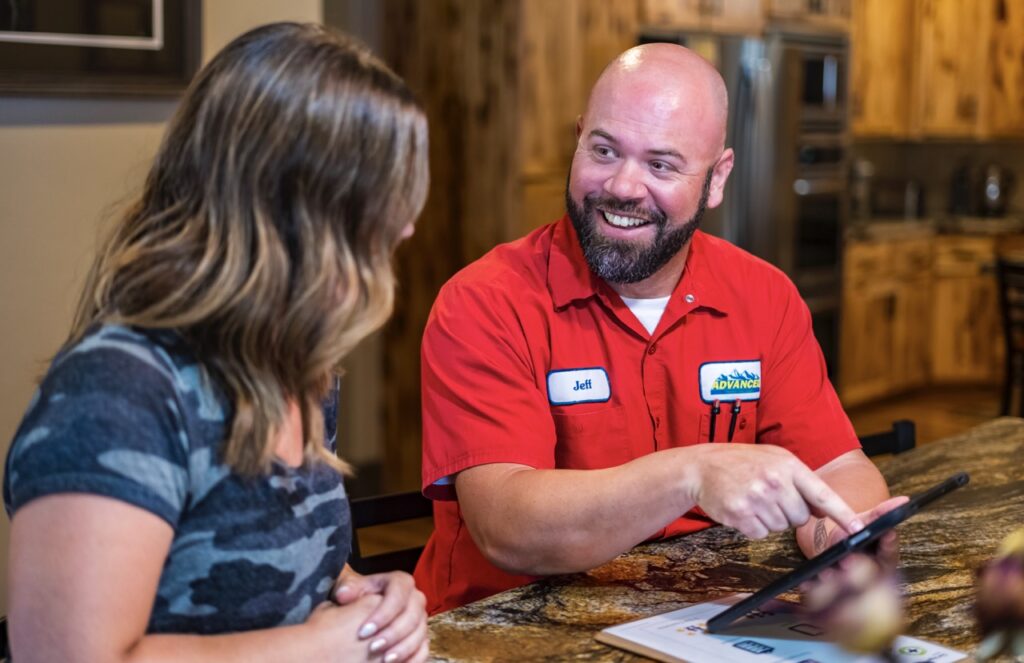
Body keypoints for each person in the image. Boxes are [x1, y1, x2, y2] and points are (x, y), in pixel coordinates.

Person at [414, 43, 903, 614]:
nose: (623, 186)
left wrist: (835, 538)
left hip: (696, 617)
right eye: (603, 150)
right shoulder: (486, 302)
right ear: (577, 141)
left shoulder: (764, 295)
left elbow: (837, 466)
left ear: (717, 179)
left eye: (661, 164)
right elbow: (506, 527)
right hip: (504, 629)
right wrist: (691, 474)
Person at [4, 23, 430, 662]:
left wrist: (368, 600)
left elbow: (288, 574)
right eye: (383, 196)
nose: (406, 225)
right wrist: (315, 650)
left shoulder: (301, 367)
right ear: (299, 209)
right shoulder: (117, 394)